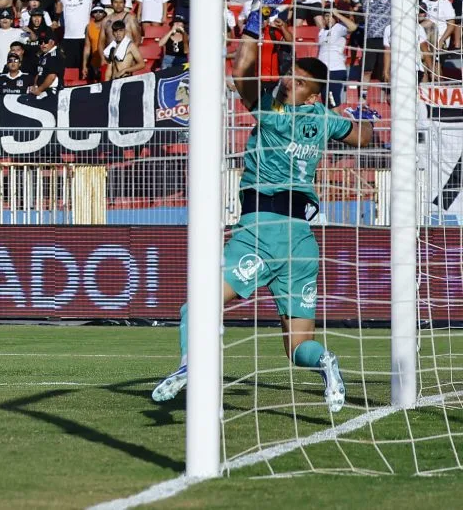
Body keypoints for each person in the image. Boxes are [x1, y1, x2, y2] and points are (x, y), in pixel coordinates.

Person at [151, 51, 375, 414]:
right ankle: (327, 363)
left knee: (197, 306)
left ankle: (190, 366)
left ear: (313, 95)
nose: (288, 81)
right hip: (302, 239)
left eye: (299, 81)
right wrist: (365, 120)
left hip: (263, 230)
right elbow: (364, 137)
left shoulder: (273, 113)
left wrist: (255, 26)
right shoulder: (324, 118)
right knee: (299, 346)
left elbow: (240, 70)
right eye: (289, 74)